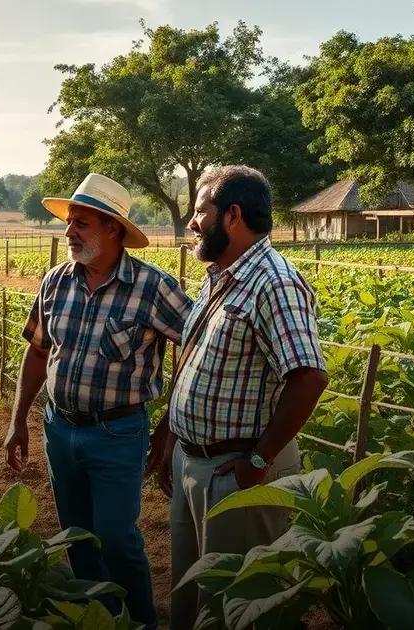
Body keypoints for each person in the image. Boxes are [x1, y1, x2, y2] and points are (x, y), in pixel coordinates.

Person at [4, 173, 191, 628]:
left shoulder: (152, 287)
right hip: (59, 426)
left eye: (81, 223)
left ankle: (141, 619)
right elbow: (37, 350)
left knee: (115, 537)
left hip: (118, 432)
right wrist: (19, 419)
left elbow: (197, 343)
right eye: (70, 222)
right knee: (77, 536)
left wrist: (168, 423)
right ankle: (99, 616)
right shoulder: (55, 282)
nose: (69, 232)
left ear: (112, 229)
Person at [145, 165, 328, 626]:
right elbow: (194, 362)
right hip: (195, 461)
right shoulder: (218, 276)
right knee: (191, 592)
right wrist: (171, 433)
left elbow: (307, 377)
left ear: (232, 215)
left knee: (234, 603)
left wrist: (260, 462)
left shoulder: (274, 282)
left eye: (200, 211)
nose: (192, 221)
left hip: (236, 470)